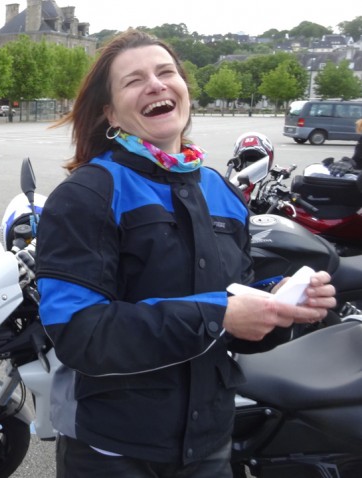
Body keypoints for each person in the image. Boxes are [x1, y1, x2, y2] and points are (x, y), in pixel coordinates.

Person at [34, 30, 336, 478]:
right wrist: (221, 314)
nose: (155, 84)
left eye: (165, 72)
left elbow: (232, 299)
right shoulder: (88, 194)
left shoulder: (222, 191)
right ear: (110, 113)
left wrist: (277, 306)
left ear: (184, 90)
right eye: (133, 80)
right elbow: (79, 332)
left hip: (209, 442)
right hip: (115, 451)